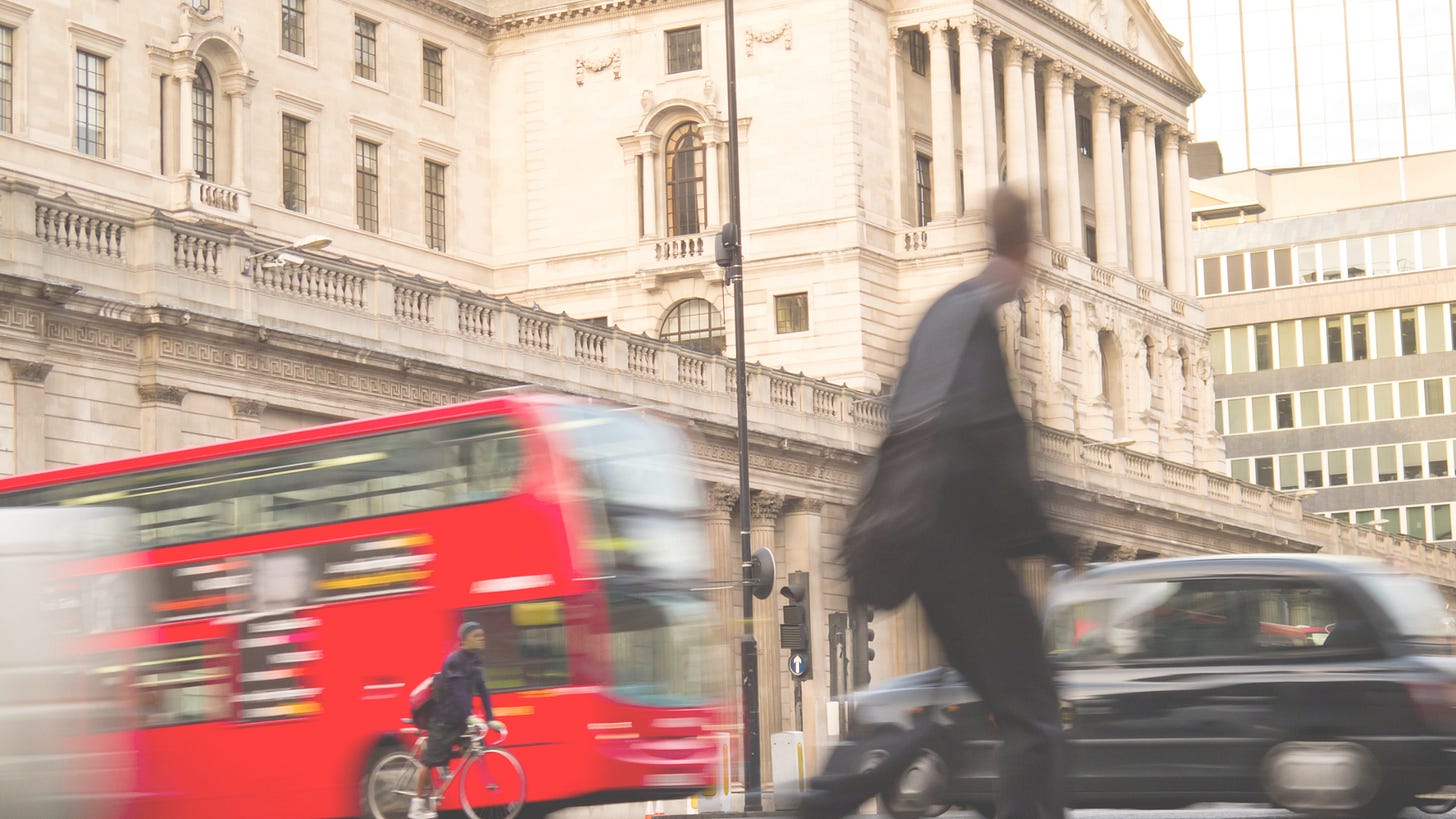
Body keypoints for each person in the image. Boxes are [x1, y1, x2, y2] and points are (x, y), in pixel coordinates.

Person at [893, 188, 1070, 819]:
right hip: (959, 551)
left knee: (983, 701)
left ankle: (841, 790)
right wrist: (1048, 541)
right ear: (1025, 249)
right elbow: (992, 440)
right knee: (1033, 714)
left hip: (924, 550)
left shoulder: (947, 308)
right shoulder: (975, 315)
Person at [410, 621, 505, 819]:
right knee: (427, 762)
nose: (482, 638)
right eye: (476, 636)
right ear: (464, 640)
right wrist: (470, 716)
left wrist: (490, 719)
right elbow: (458, 693)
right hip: (443, 721)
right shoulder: (454, 660)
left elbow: (483, 690)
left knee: (475, 748)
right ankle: (417, 806)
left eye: (482, 635)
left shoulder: (474, 661)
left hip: (459, 720)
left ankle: (443, 767)